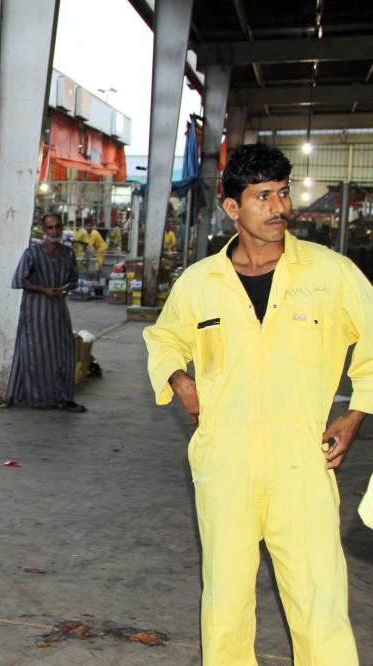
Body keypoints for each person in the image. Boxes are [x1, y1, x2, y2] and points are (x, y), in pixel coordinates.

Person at [144, 143, 372, 666]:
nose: (278, 207)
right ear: (232, 208)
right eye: (262, 195)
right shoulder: (201, 282)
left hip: (302, 459)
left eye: (283, 193)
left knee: (319, 599)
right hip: (225, 461)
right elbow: (163, 339)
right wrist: (180, 380)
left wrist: (357, 410)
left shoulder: (329, 273)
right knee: (225, 602)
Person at [8, 213, 85, 412]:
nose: (54, 231)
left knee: (65, 353)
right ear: (43, 231)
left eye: (57, 227)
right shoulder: (32, 253)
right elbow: (19, 280)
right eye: (50, 228)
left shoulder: (68, 253)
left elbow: (74, 280)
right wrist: (44, 290)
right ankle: (40, 399)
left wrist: (65, 288)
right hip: (35, 312)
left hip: (58, 310)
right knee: (38, 354)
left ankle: (64, 397)